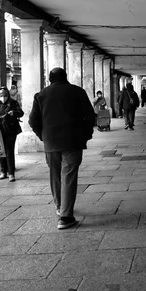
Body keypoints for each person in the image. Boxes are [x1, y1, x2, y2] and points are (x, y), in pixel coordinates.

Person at [28, 67, 95, 230]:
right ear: (66, 77)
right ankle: (66, 217)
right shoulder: (78, 92)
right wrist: (85, 134)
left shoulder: (40, 95)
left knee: (55, 175)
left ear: (50, 79)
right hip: (73, 141)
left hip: (51, 142)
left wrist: (43, 137)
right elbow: (90, 116)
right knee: (69, 175)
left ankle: (60, 207)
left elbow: (33, 121)